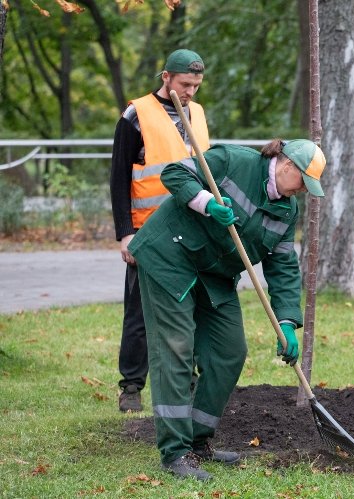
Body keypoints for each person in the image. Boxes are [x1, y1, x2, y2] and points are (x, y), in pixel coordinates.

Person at [128, 139, 327, 480]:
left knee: (229, 351)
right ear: (287, 165)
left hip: (215, 273)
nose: (302, 193)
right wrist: (206, 203)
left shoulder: (286, 210)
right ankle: (175, 452)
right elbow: (175, 174)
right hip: (170, 256)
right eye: (302, 184)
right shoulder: (234, 160)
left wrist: (287, 322)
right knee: (176, 348)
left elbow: (283, 267)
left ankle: (197, 440)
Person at [110, 48, 210, 413]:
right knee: (139, 313)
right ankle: (131, 388)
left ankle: (188, 382)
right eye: (185, 84)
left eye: (196, 85)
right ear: (166, 77)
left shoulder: (197, 113)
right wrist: (125, 233)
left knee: (191, 309)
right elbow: (119, 177)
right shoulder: (136, 114)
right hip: (147, 232)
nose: (190, 92)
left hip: (190, 230)